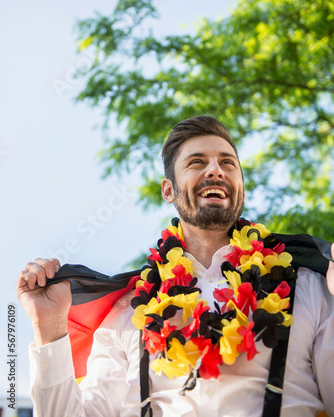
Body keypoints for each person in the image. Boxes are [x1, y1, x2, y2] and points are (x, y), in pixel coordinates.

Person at [17, 116, 334, 417]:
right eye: (197, 162)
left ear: (241, 187)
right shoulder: (129, 313)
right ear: (168, 190)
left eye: (227, 163)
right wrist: (49, 329)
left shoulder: (306, 287)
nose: (215, 170)